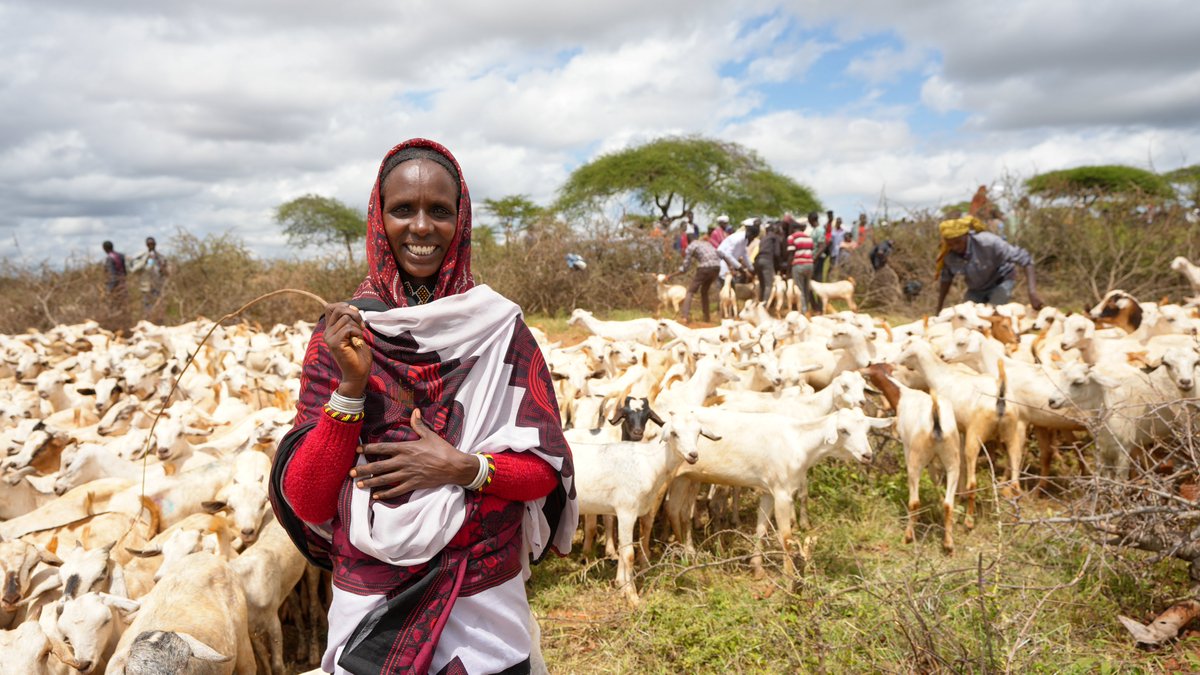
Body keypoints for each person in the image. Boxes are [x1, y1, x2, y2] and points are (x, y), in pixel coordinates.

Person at [270, 139, 577, 675]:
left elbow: (543, 473)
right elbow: (309, 499)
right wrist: (350, 387)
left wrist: (464, 468)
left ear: (461, 221)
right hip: (372, 600)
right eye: (403, 210)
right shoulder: (344, 335)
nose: (421, 227)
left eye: (439, 210)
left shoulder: (500, 331)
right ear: (378, 217)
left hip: (482, 600)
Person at [935, 215, 1043, 313]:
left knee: (994, 314)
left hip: (1001, 281)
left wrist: (1032, 292)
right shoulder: (948, 254)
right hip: (976, 288)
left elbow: (1025, 259)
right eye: (950, 244)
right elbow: (946, 279)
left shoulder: (989, 242)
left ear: (966, 236)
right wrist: (939, 308)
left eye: (958, 242)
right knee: (967, 316)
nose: (955, 247)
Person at [129, 236, 168, 320]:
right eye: (149, 244)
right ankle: (149, 320)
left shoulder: (161, 257)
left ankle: (158, 321)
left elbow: (166, 273)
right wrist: (145, 261)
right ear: (146, 245)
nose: (151, 245)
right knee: (147, 307)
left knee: (158, 305)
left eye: (152, 244)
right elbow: (134, 270)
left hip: (157, 286)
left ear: (155, 244)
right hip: (146, 286)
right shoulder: (141, 257)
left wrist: (162, 267)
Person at [716, 218, 758, 285]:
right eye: (753, 238)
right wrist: (740, 268)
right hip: (723, 263)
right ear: (751, 235)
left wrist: (751, 269)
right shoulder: (738, 238)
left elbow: (745, 255)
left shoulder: (745, 240)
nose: (752, 240)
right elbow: (727, 255)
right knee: (724, 287)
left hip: (730, 266)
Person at [786, 220, 815, 314]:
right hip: (810, 265)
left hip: (798, 265)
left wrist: (788, 270)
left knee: (800, 290)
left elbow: (791, 254)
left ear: (792, 228)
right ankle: (807, 309)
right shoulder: (808, 238)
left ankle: (803, 311)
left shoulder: (791, 237)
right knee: (806, 288)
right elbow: (811, 250)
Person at [753, 221, 786, 302]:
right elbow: (777, 253)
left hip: (757, 261)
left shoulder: (763, 238)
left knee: (762, 285)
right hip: (767, 261)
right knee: (768, 285)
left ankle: (759, 304)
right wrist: (780, 264)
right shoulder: (775, 237)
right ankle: (763, 307)